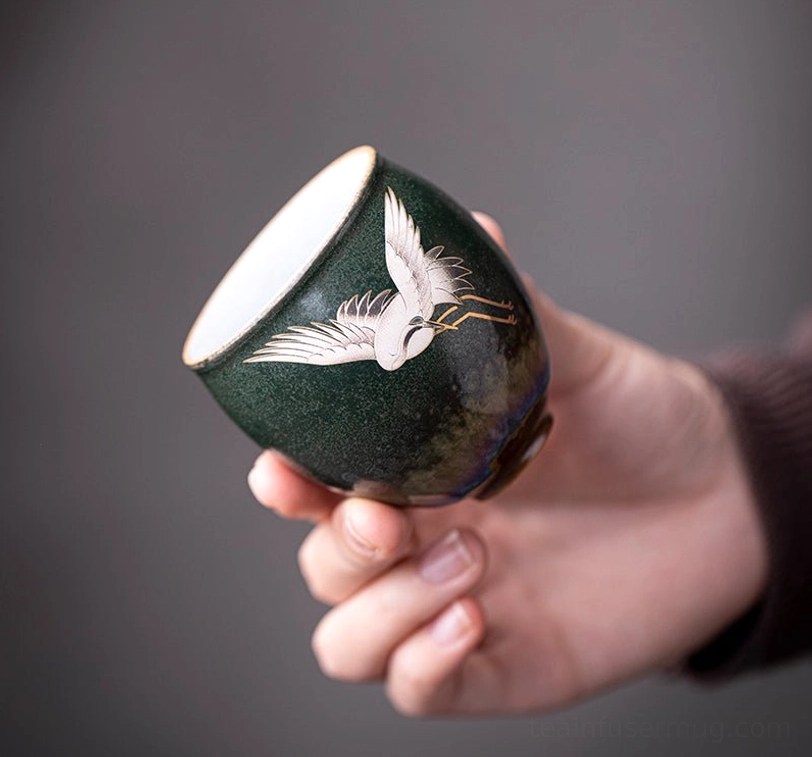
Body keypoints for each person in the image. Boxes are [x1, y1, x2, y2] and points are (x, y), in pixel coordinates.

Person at [246, 213, 812, 716]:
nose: (426, 336)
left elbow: (406, 264)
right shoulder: (392, 341)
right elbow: (340, 341)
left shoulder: (420, 311)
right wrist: (739, 480)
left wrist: (751, 468)